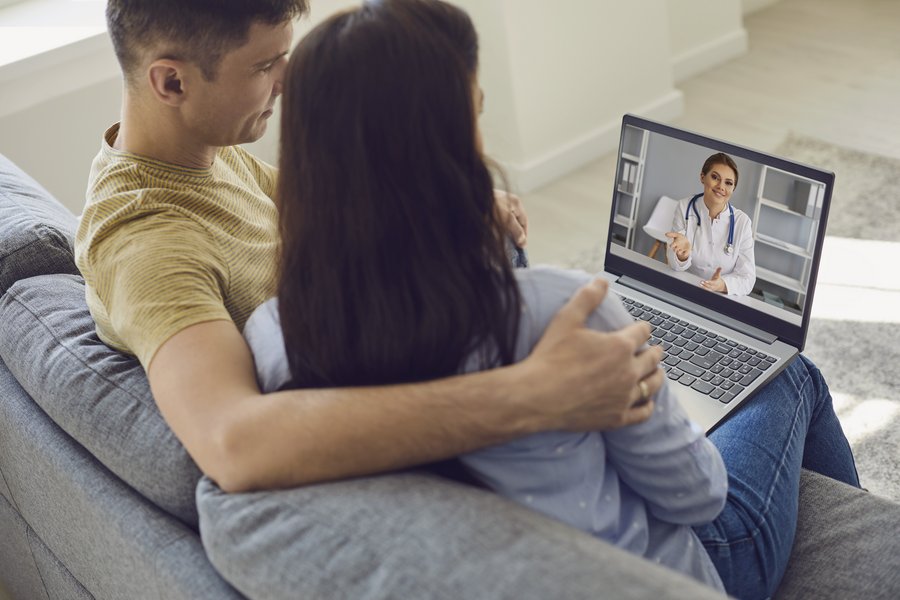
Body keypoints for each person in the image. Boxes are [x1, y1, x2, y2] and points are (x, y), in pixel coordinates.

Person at [244, 1, 861, 597]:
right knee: (789, 375)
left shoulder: (273, 334)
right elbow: (698, 496)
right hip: (689, 566)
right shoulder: (563, 312)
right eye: (476, 114)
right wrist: (659, 399)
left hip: (514, 541)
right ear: (448, 148)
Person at [73, 0, 661, 494]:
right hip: (429, 442)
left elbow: (340, 213)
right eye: (265, 64)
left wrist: (459, 199)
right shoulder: (145, 242)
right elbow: (235, 443)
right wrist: (539, 394)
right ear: (171, 81)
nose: (287, 80)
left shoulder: (206, 151)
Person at [665, 153, 756, 296]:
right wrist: (682, 255)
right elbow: (673, 264)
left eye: (728, 183)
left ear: (733, 189)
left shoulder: (742, 223)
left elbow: (748, 278)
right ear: (702, 177)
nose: (721, 186)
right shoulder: (684, 207)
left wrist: (723, 284)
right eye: (715, 177)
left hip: (720, 298)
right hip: (684, 291)